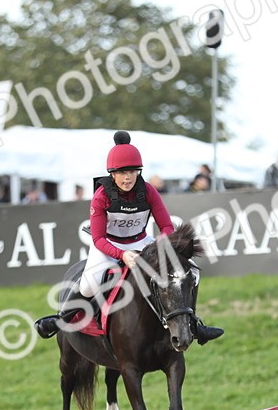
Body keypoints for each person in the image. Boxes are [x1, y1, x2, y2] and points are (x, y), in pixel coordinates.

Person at [34, 131, 224, 344]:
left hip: (140, 241)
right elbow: (98, 239)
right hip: (108, 244)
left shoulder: (149, 191)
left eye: (133, 171)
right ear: (112, 174)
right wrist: (122, 255)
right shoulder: (101, 196)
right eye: (122, 172)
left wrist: (167, 248)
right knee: (89, 284)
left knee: (187, 272)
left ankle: (194, 325)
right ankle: (61, 319)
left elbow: (166, 227)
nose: (128, 177)